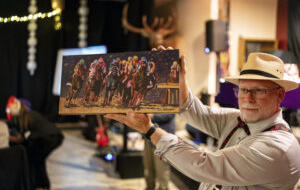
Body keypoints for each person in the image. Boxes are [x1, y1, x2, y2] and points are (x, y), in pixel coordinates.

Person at [105, 46, 300, 190]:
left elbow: (204, 165)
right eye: (243, 90)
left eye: (259, 91)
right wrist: (180, 83)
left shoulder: (277, 148)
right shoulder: (238, 119)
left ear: (280, 95)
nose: (248, 98)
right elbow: (199, 112)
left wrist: (150, 130)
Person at [6, 96, 64, 190]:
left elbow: (22, 139)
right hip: (54, 136)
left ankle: (37, 185)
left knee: (33, 161)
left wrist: (7, 137)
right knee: (37, 160)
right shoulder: (30, 114)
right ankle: (41, 185)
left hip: (48, 139)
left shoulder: (26, 119)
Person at [144, 114, 175, 190]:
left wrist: (152, 116)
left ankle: (163, 188)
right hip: (149, 136)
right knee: (148, 166)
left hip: (163, 138)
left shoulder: (170, 102)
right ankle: (149, 187)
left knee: (162, 168)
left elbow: (169, 114)